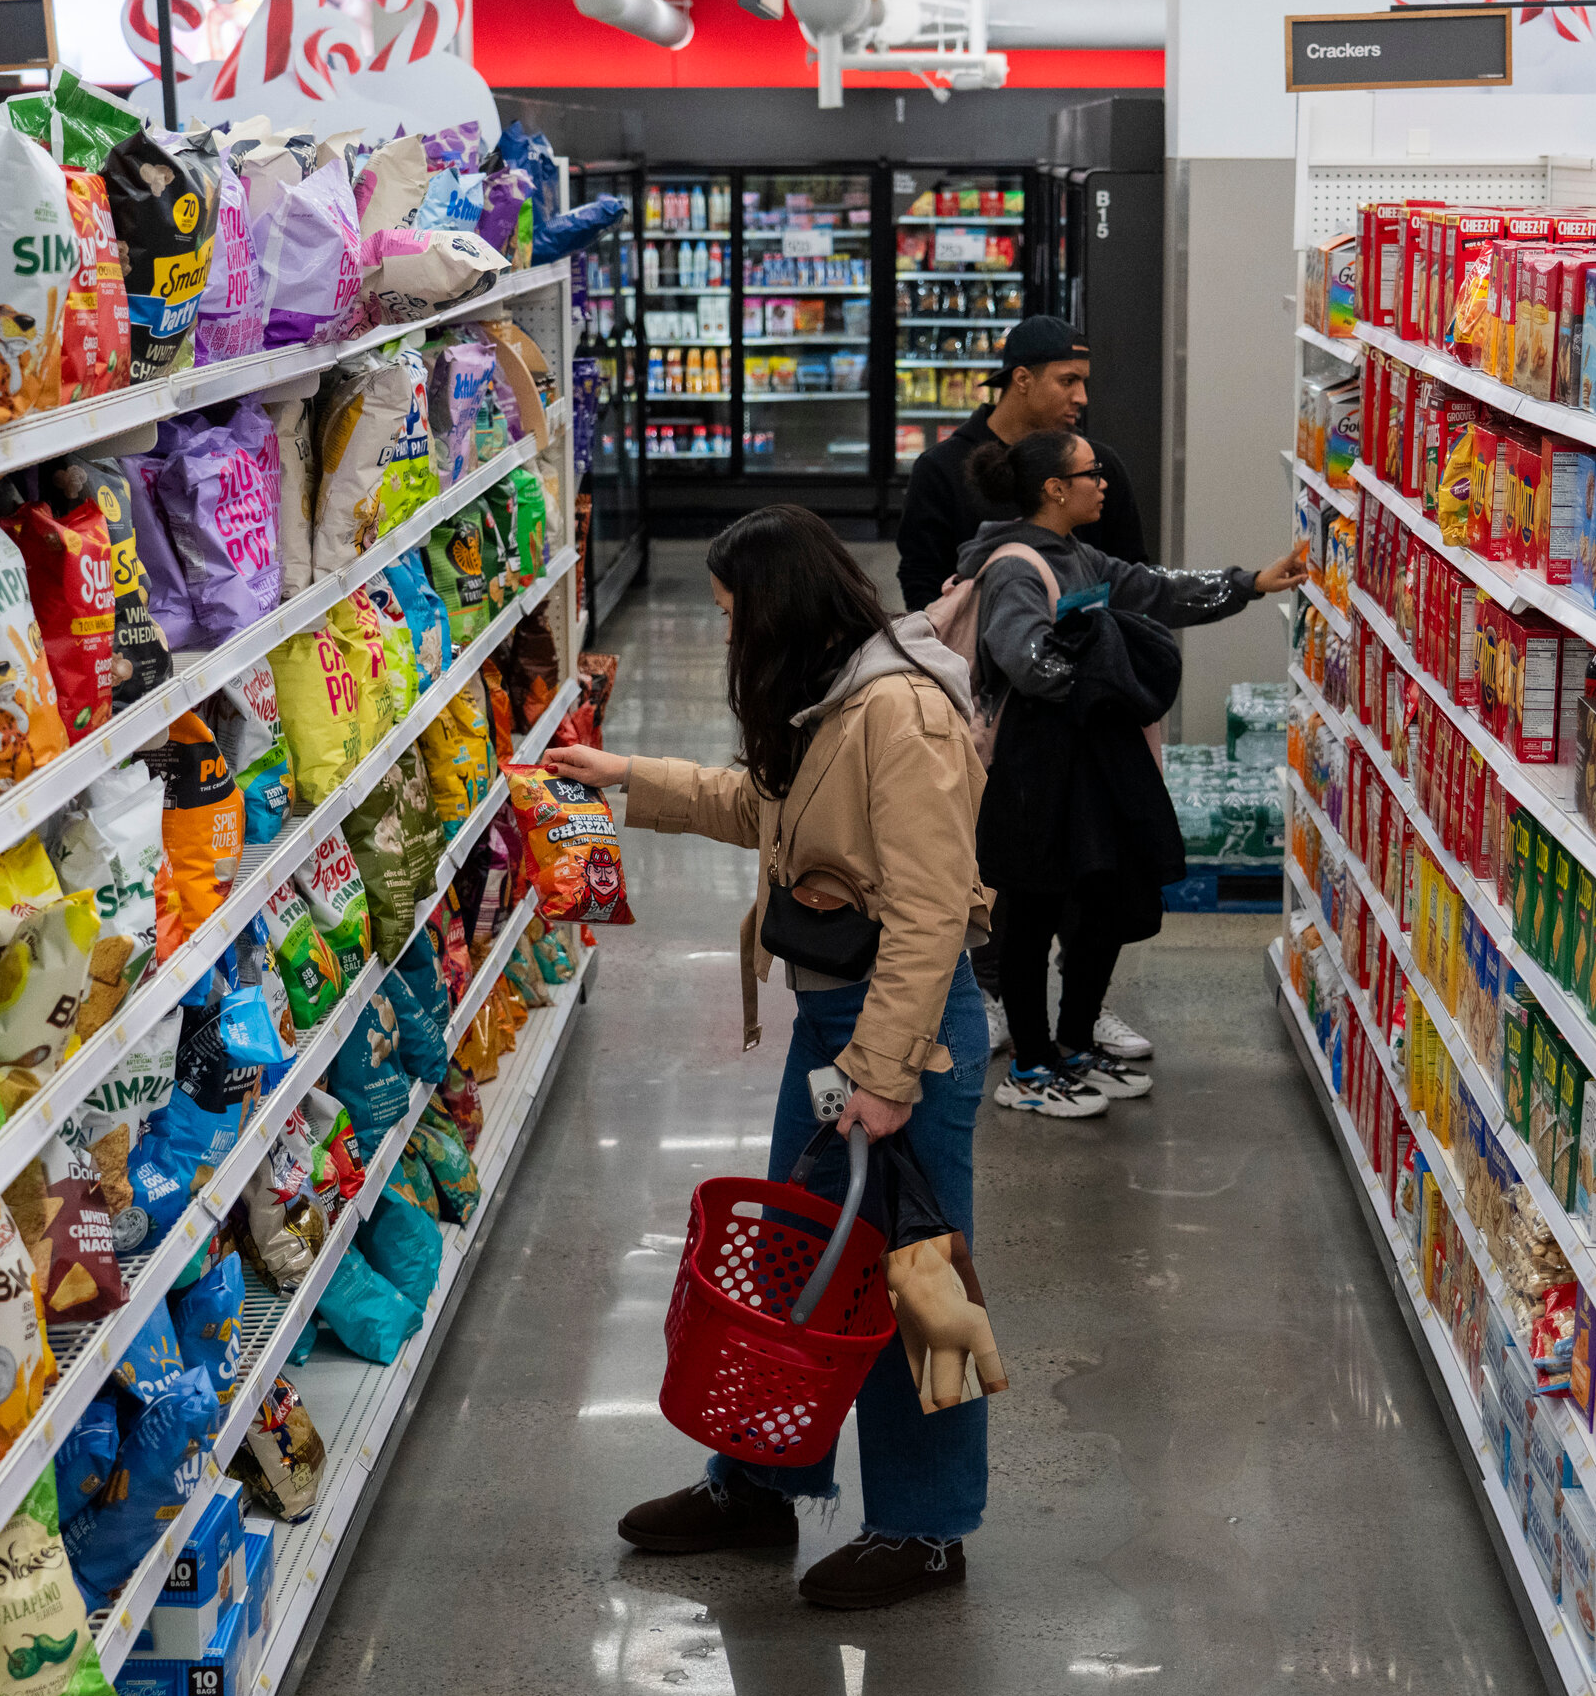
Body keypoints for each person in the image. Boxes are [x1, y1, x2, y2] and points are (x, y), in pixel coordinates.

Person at [544, 503, 994, 1609]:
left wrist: (888, 1077)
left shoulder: (899, 713)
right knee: (800, 1264)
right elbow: (763, 808)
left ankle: (925, 1530)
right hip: (834, 1029)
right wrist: (623, 776)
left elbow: (933, 912)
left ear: (779, 609)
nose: (731, 634)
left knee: (915, 1282)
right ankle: (758, 1478)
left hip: (910, 1037)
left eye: (736, 615)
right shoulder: (834, 695)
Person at [961, 430, 1302, 1118]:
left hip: (1084, 767)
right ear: (1055, 489)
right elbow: (1028, 661)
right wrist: (1109, 662)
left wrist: (1250, 585)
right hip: (1034, 771)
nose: (1104, 483)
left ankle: (1071, 1044)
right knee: (1029, 913)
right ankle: (1029, 1067)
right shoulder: (1014, 567)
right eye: (1091, 473)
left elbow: (1154, 590)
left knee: (1102, 902)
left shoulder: (1079, 555)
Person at [897, 314, 1152, 1065]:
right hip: (986, 713)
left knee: (1089, 857)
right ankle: (995, 996)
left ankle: (1084, 1003)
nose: (1081, 397)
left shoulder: (1095, 467)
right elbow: (922, 592)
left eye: (1085, 383)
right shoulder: (945, 470)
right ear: (1022, 380)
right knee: (995, 859)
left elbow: (1132, 573)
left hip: (1081, 709)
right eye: (1067, 381)